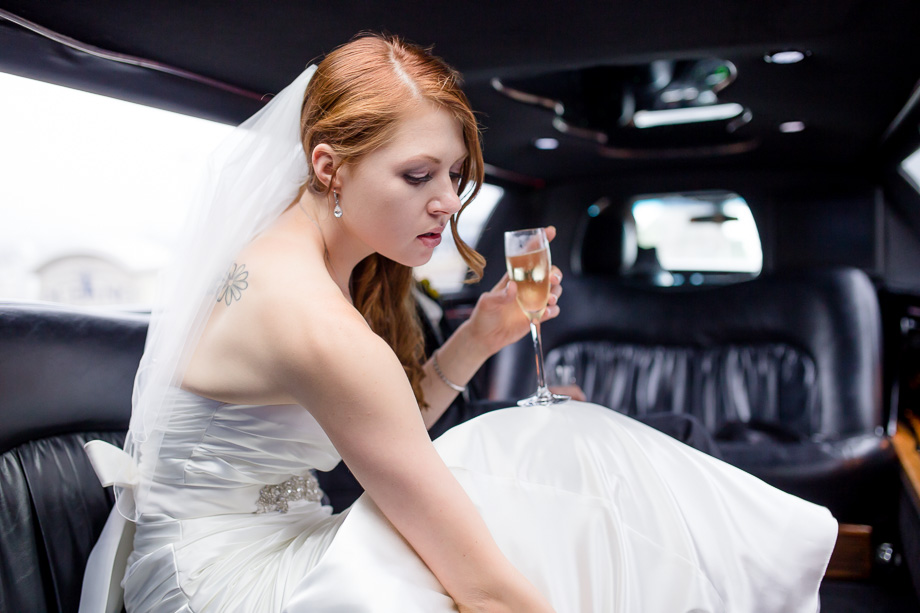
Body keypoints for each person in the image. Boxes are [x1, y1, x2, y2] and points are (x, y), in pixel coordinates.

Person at [80, 33, 837, 613]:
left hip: (223, 542)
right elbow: (487, 589)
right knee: (554, 456)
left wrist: (480, 334)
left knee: (552, 449)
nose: (447, 201)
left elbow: (383, 423)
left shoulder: (287, 258)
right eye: (418, 176)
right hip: (228, 587)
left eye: (453, 175)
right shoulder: (313, 319)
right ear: (327, 165)